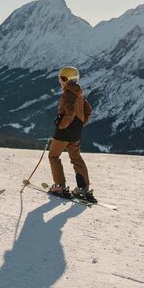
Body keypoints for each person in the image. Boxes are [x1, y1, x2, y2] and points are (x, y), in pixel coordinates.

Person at [48, 66, 96, 202]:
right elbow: (88, 110)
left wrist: (60, 124)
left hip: (64, 133)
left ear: (69, 80)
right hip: (75, 133)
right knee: (76, 158)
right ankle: (83, 188)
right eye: (60, 79)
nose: (61, 82)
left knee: (53, 156)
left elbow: (69, 113)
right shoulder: (79, 93)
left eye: (62, 79)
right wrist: (80, 124)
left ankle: (59, 186)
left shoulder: (68, 94)